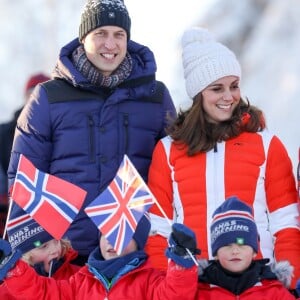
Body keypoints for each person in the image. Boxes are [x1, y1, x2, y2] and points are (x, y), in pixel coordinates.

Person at [7, 0, 176, 265]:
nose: (110, 44)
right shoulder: (49, 98)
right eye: (101, 34)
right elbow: (24, 179)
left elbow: (174, 172)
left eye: (119, 34)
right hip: (67, 257)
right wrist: (29, 255)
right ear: (83, 37)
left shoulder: (154, 97)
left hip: (133, 254)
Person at [145, 26, 300, 289]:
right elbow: (159, 229)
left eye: (234, 86)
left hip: (258, 287)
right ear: (199, 94)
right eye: (217, 88)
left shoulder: (267, 145)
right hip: (194, 287)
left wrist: (289, 282)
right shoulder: (168, 150)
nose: (229, 97)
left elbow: (285, 223)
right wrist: (165, 287)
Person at [0, 216, 199, 300]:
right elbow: (43, 292)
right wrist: (13, 268)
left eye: (122, 235)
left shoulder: (149, 280)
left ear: (138, 244)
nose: (112, 242)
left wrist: (181, 262)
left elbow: (174, 294)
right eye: (107, 235)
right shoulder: (81, 280)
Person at [196, 196, 295, 299]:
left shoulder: (274, 290)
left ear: (254, 252)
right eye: (226, 245)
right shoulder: (198, 290)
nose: (235, 251)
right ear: (216, 254)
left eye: (242, 245)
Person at [0, 72, 50, 237]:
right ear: (25, 95)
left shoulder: (60, 132)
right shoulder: (5, 133)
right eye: (32, 94)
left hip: (47, 212)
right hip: (10, 211)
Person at [0, 202, 80, 299]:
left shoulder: (79, 277)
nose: (54, 250)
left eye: (56, 240)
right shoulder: (7, 292)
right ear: (24, 255)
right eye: (44, 246)